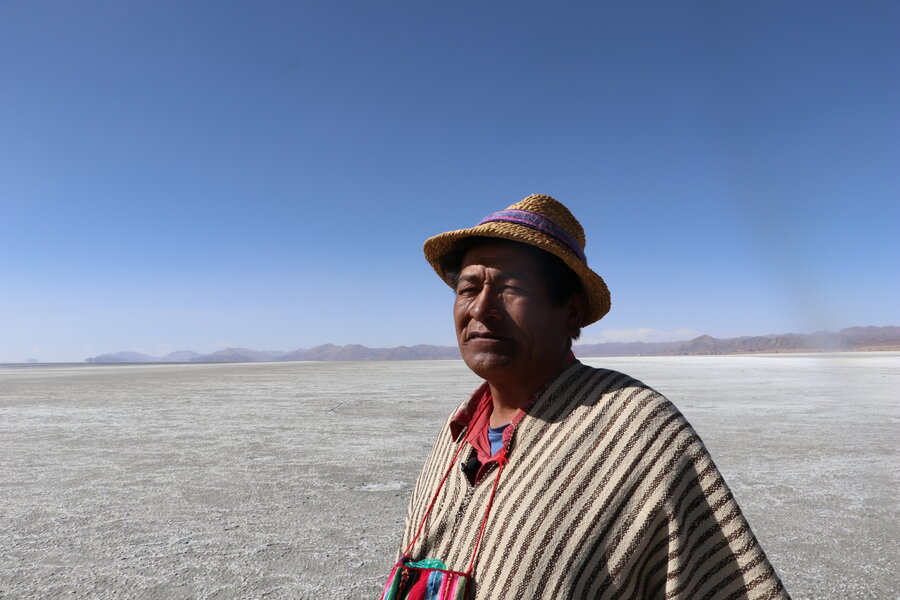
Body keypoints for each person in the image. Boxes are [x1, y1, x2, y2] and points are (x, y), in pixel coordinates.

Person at [383, 194, 789, 599]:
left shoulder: (640, 431)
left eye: (511, 288)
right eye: (468, 289)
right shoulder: (458, 429)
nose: (481, 309)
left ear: (571, 312)